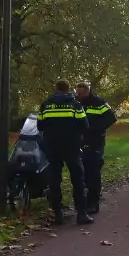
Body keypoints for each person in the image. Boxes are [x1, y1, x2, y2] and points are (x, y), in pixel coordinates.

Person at [37, 80, 92, 225]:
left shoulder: (46, 105)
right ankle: (81, 213)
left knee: (54, 179)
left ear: (56, 89)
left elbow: (40, 125)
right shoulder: (75, 105)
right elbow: (85, 125)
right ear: (69, 89)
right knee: (78, 179)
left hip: (52, 147)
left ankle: (58, 214)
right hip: (72, 147)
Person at [74, 81, 117, 214]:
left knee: (93, 172)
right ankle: (83, 200)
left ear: (87, 91)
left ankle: (93, 202)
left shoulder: (98, 102)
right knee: (81, 173)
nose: (79, 95)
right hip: (79, 142)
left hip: (95, 142)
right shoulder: (75, 103)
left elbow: (111, 117)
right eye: (77, 93)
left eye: (81, 93)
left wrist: (96, 129)